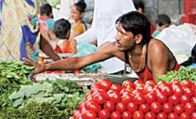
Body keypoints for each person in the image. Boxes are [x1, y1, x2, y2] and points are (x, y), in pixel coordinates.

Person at [31, 11, 179, 81]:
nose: (116, 37)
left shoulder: (156, 49)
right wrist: (45, 67)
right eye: (117, 32)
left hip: (179, 97)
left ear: (138, 38)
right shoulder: (117, 47)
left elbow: (161, 89)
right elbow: (79, 61)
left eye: (122, 34)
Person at [75, 0, 135, 73]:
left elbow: (134, 30)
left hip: (119, 64)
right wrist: (76, 40)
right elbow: (96, 29)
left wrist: (113, 42)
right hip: (103, 63)